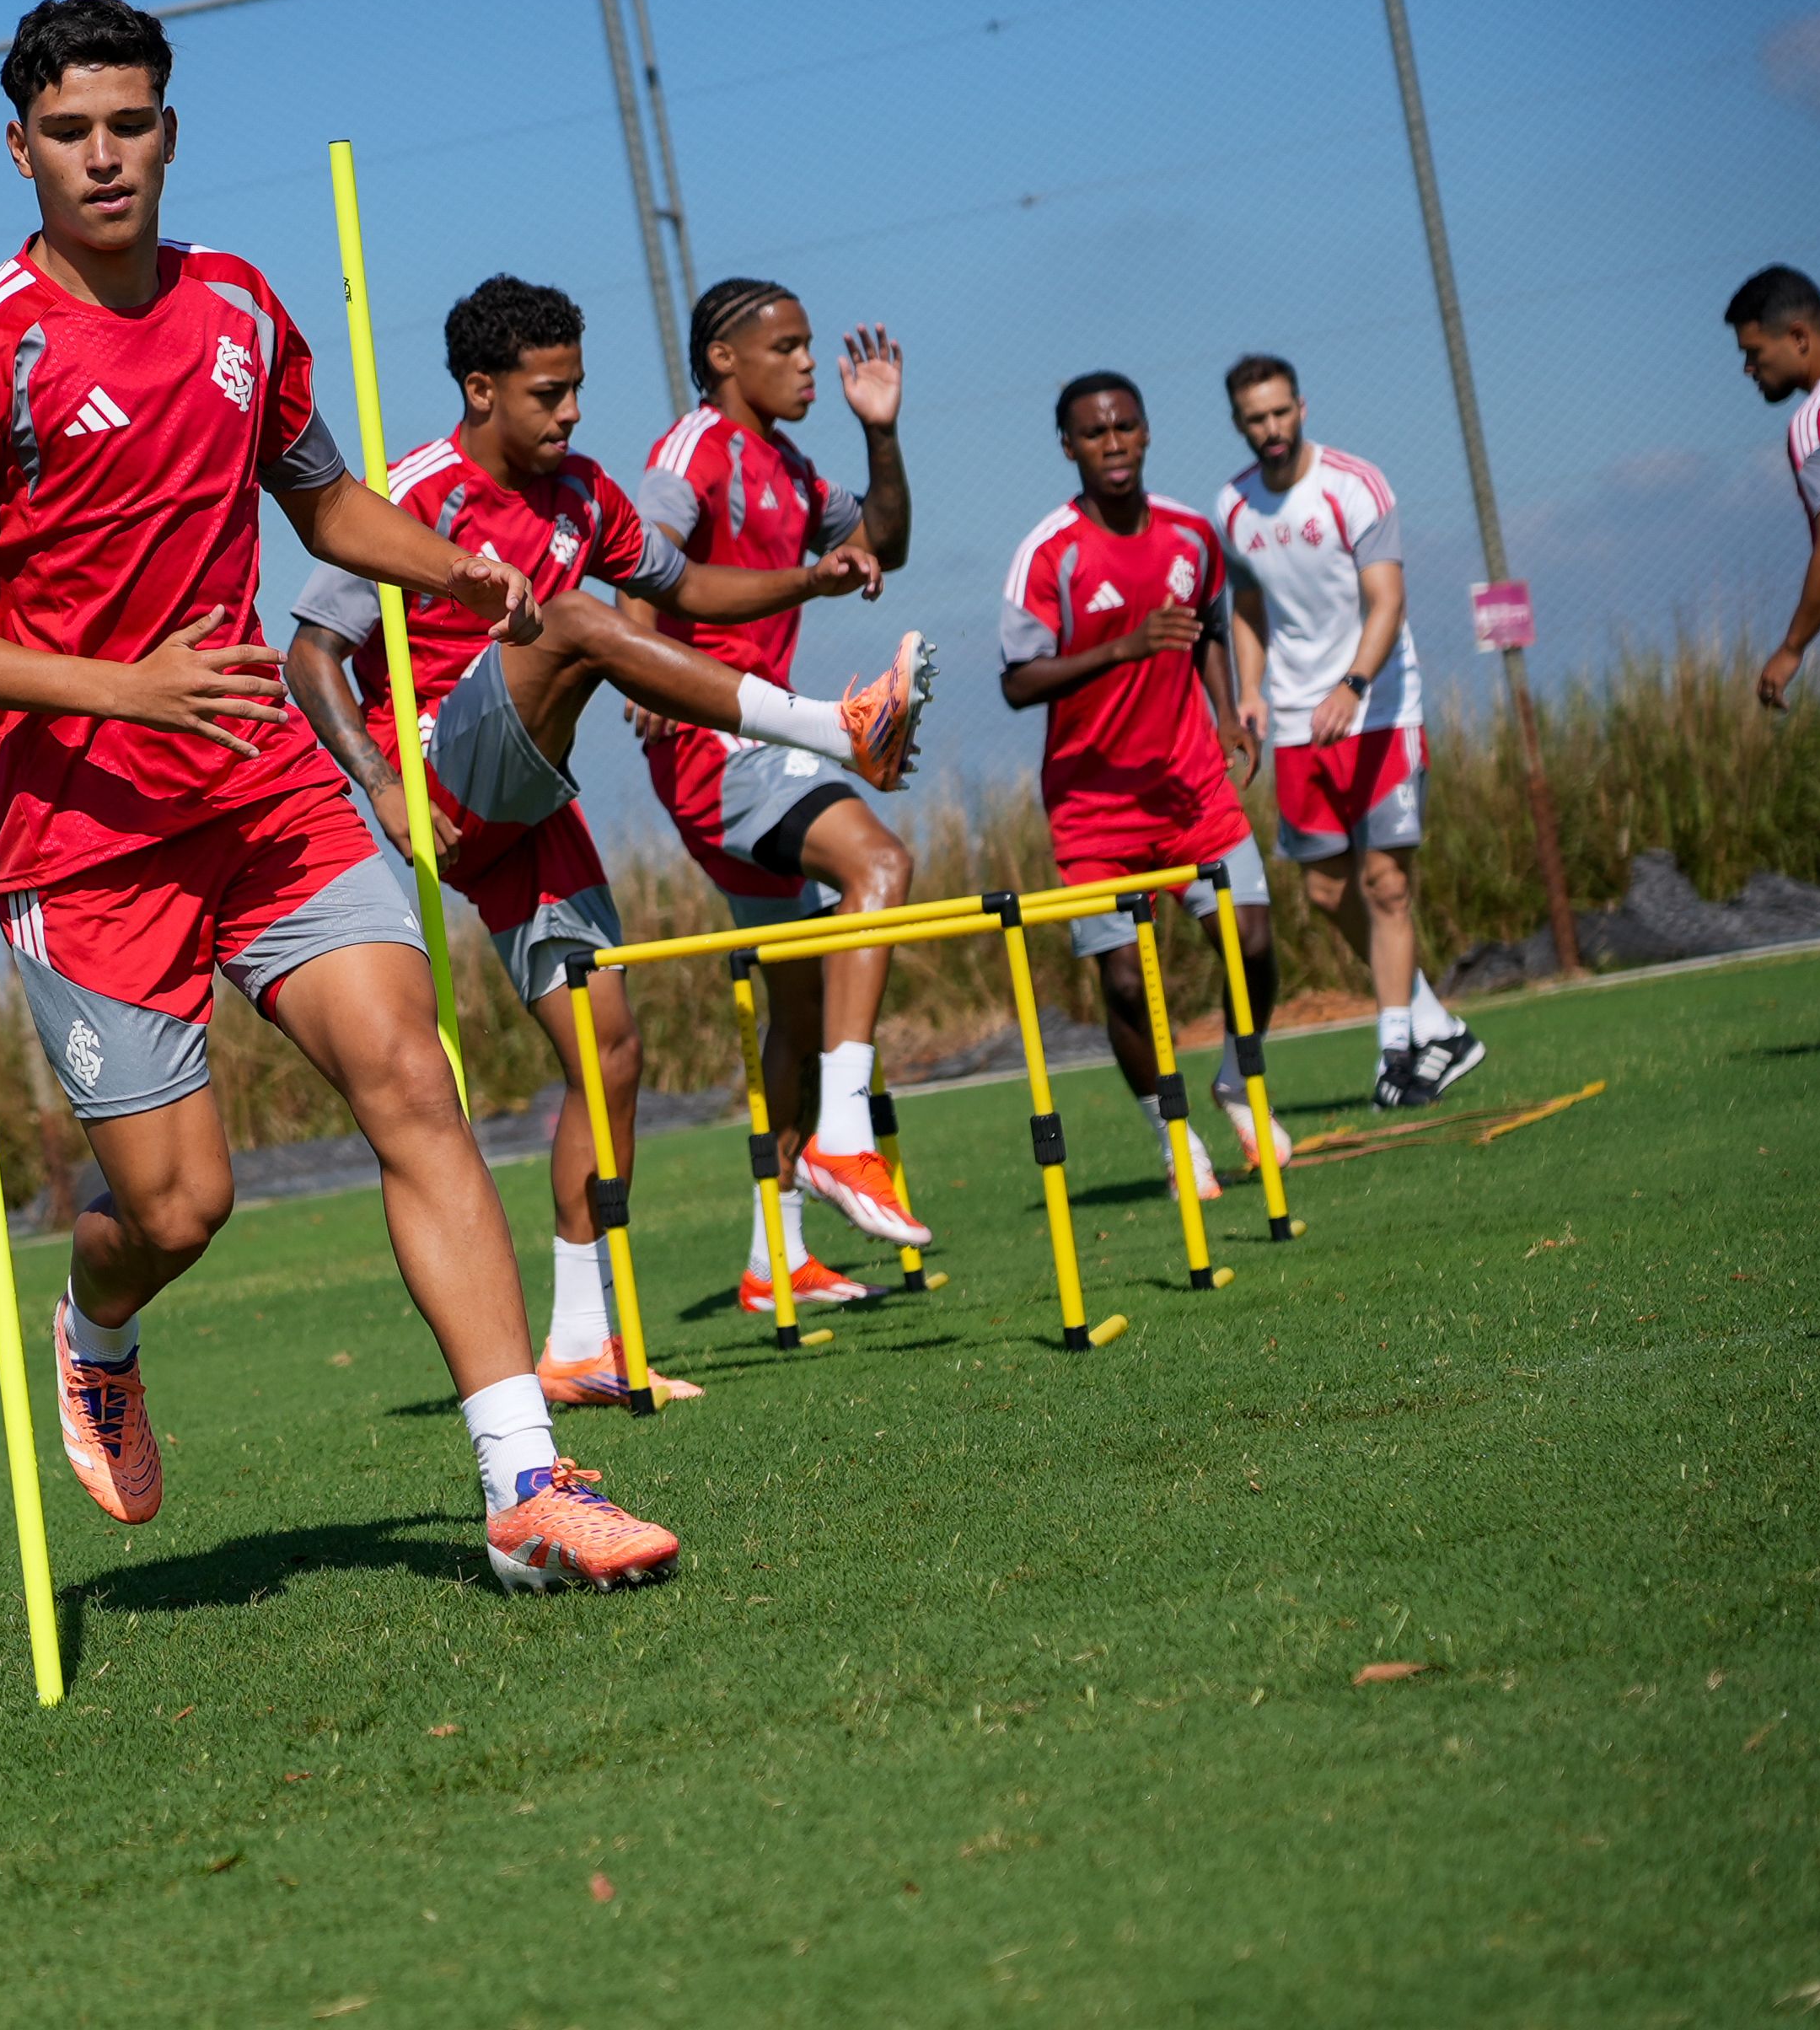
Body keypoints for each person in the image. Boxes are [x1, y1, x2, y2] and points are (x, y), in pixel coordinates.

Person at [0, 0, 701, 1589]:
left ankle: (526, 1484)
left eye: (129, 124)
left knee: (411, 1076)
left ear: (169, 132)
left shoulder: (240, 306)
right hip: (86, 840)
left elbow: (323, 506)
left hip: (263, 788)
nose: (103, 157)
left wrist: (450, 561)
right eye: (68, 132)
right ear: (19, 150)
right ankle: (97, 1329)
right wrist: (127, 687)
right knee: (179, 1207)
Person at [281, 276, 929, 1411]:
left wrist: (810, 576)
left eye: (577, 388)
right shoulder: (417, 492)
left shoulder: (585, 492)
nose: (573, 412)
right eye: (548, 393)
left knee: (610, 1053)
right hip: (439, 778)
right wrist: (380, 785)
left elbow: (685, 588)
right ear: (481, 391)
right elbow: (309, 654)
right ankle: (840, 730)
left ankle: (580, 1344)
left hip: (531, 802)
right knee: (575, 619)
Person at [622, 279, 939, 1316]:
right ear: (724, 358)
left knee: (797, 1010)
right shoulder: (695, 448)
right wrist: (640, 665)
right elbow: (641, 557)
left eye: (810, 348)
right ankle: (843, 1138)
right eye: (789, 347)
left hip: (764, 746)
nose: (810, 364)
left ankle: (776, 1257)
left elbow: (885, 542)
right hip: (716, 742)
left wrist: (879, 431)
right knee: (880, 862)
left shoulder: (795, 469)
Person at [996, 372, 1284, 1193]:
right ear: (1069, 447)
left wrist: (1226, 714)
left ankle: (1235, 1079)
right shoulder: (1048, 553)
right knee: (1125, 983)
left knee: (1253, 945)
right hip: (1093, 808)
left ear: (1147, 431)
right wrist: (1121, 648)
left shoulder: (1191, 534)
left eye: (1125, 426)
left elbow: (1208, 627)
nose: (1113, 443)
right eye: (1094, 433)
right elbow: (1017, 681)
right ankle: (1171, 1132)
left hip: (1192, 788)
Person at [1214, 354, 1482, 1109]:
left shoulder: (1355, 485)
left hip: (1381, 708)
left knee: (1386, 884)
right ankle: (1438, 1024)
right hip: (1300, 723)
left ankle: (1395, 1053)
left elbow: (1386, 599)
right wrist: (1251, 692)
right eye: (1256, 419)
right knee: (1329, 892)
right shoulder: (1233, 507)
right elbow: (1247, 609)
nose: (1272, 429)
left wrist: (1354, 684)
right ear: (1239, 424)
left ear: (1301, 408)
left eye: (1281, 413)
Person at [1725, 265, 1820, 710]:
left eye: (1755, 352)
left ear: (1799, 337)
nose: (1748, 368)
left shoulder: (1816, 423)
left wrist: (1791, 648)